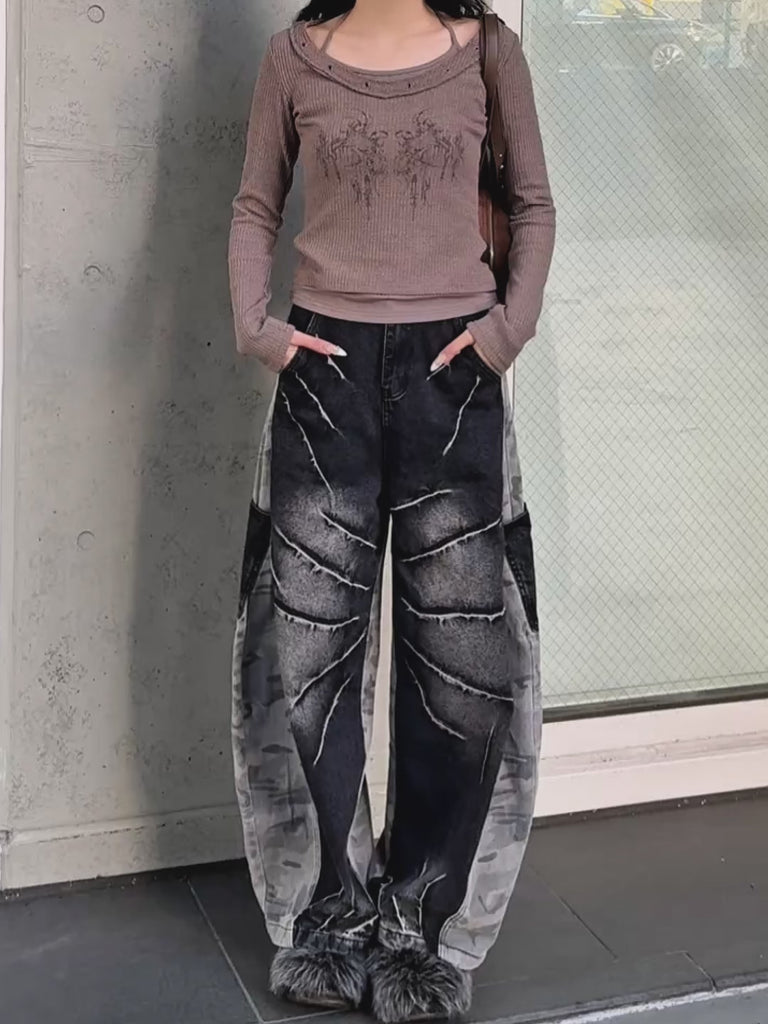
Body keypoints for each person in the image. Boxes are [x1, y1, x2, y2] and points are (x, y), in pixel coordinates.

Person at [227, 2, 555, 1020]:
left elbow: (533, 204)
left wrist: (504, 335)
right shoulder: (293, 58)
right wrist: (258, 329)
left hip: (453, 375)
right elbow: (254, 205)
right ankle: (328, 916)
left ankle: (426, 928)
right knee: (306, 655)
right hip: (322, 373)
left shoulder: (491, 50)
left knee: (462, 664)